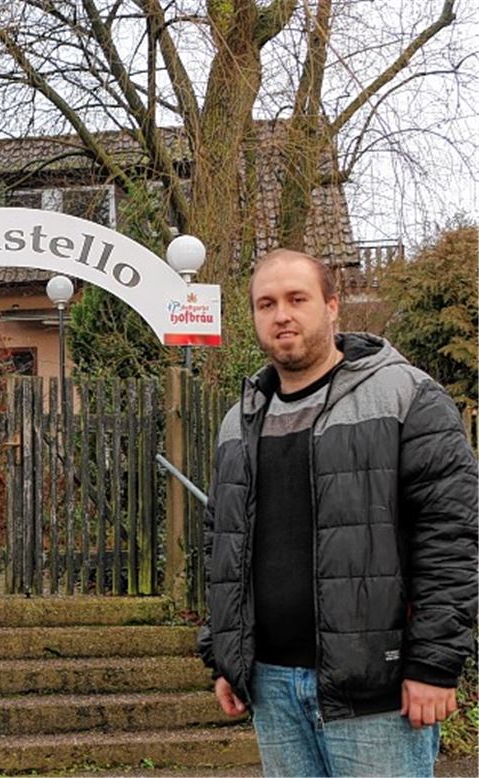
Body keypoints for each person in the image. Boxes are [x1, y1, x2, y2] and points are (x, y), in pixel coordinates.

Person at [197, 248, 478, 777]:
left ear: (332, 306)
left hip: (378, 691)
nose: (281, 314)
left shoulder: (407, 397)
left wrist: (435, 665)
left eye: (296, 298)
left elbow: (452, 539)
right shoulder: (240, 421)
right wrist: (226, 657)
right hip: (272, 686)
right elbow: (222, 545)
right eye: (266, 303)